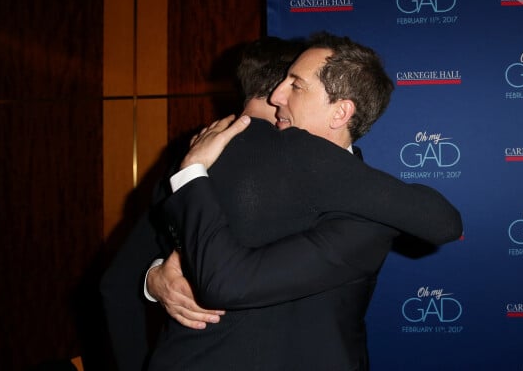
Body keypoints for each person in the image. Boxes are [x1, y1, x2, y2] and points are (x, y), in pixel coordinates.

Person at [146, 32, 462, 370]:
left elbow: (443, 222)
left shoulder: (369, 214)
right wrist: (155, 277)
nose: (276, 96)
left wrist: (192, 173)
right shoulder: (226, 149)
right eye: (283, 80)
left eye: (295, 86)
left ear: (340, 112)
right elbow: (152, 246)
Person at [99, 36, 307, 371]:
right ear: (287, 87)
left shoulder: (188, 157)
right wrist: (156, 277)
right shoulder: (312, 162)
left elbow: (116, 284)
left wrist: (153, 276)